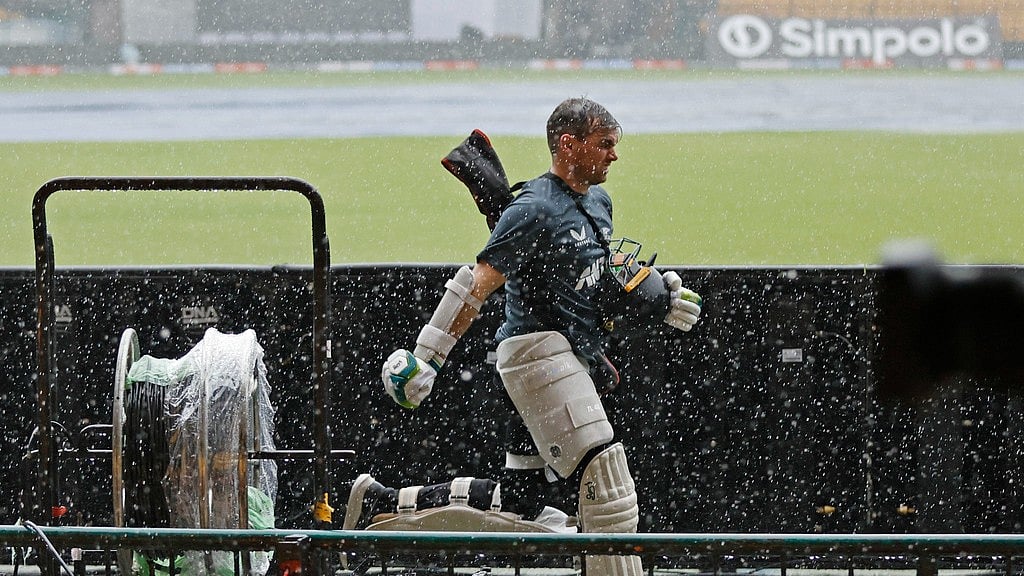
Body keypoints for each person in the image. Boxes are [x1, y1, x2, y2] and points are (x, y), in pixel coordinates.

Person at [345, 97, 702, 575]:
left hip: (568, 355)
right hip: (537, 355)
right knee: (607, 482)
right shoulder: (533, 207)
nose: (614, 155)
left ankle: (381, 505)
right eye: (604, 144)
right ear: (568, 144)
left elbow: (592, 278)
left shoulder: (598, 202)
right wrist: (427, 358)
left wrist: (657, 295)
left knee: (521, 502)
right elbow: (475, 286)